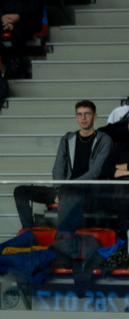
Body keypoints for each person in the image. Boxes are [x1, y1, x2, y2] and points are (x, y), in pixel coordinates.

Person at [13, 100, 111, 233]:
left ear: (95, 116)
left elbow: (95, 172)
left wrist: (68, 189)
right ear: (76, 117)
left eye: (87, 114)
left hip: (86, 191)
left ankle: (64, 238)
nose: (83, 118)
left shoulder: (104, 140)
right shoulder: (67, 139)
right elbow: (57, 169)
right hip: (63, 190)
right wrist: (59, 190)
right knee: (20, 191)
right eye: (79, 114)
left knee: (70, 197)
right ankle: (29, 232)